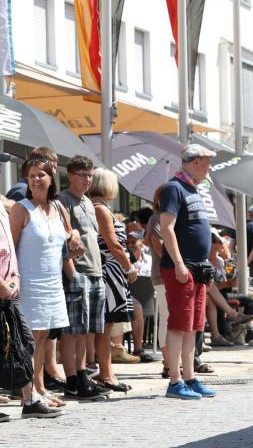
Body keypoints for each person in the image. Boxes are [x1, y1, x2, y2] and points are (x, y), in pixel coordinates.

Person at [9, 158, 75, 410]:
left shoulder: (58, 208)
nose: (36, 179)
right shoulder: (21, 208)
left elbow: (67, 245)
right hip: (29, 281)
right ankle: (29, 393)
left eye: (41, 175)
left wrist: (75, 242)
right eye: (31, 175)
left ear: (51, 179)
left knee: (45, 337)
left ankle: (40, 387)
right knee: (30, 338)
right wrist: (11, 280)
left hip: (53, 282)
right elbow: (10, 248)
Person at [157, 144, 218, 399]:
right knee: (179, 325)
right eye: (207, 162)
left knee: (193, 326)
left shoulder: (193, 189)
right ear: (194, 162)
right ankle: (174, 380)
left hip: (198, 267)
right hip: (181, 268)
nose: (209, 167)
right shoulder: (174, 188)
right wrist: (180, 263)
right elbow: (166, 228)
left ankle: (190, 377)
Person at [0, 177, 63, 419]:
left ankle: (30, 399)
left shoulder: (5, 207)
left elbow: (10, 249)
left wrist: (14, 277)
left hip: (11, 288)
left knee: (24, 344)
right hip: (3, 287)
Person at [57, 156, 108, 400]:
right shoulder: (63, 201)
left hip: (95, 271)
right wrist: (72, 273)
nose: (87, 179)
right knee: (72, 331)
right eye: (81, 174)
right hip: (77, 272)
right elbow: (63, 241)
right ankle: (72, 380)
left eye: (89, 175)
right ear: (70, 175)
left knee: (86, 331)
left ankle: (81, 373)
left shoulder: (88, 201)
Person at [89, 169, 138, 394]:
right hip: (110, 272)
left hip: (112, 272)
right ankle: (105, 372)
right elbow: (112, 243)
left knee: (107, 327)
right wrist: (129, 267)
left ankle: (106, 371)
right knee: (106, 327)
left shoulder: (99, 206)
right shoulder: (100, 208)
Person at [126, 230, 156, 362]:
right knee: (136, 308)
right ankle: (138, 348)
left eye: (133, 242)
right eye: (128, 242)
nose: (130, 245)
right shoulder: (125, 258)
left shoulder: (150, 260)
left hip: (150, 298)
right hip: (130, 296)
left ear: (142, 242)